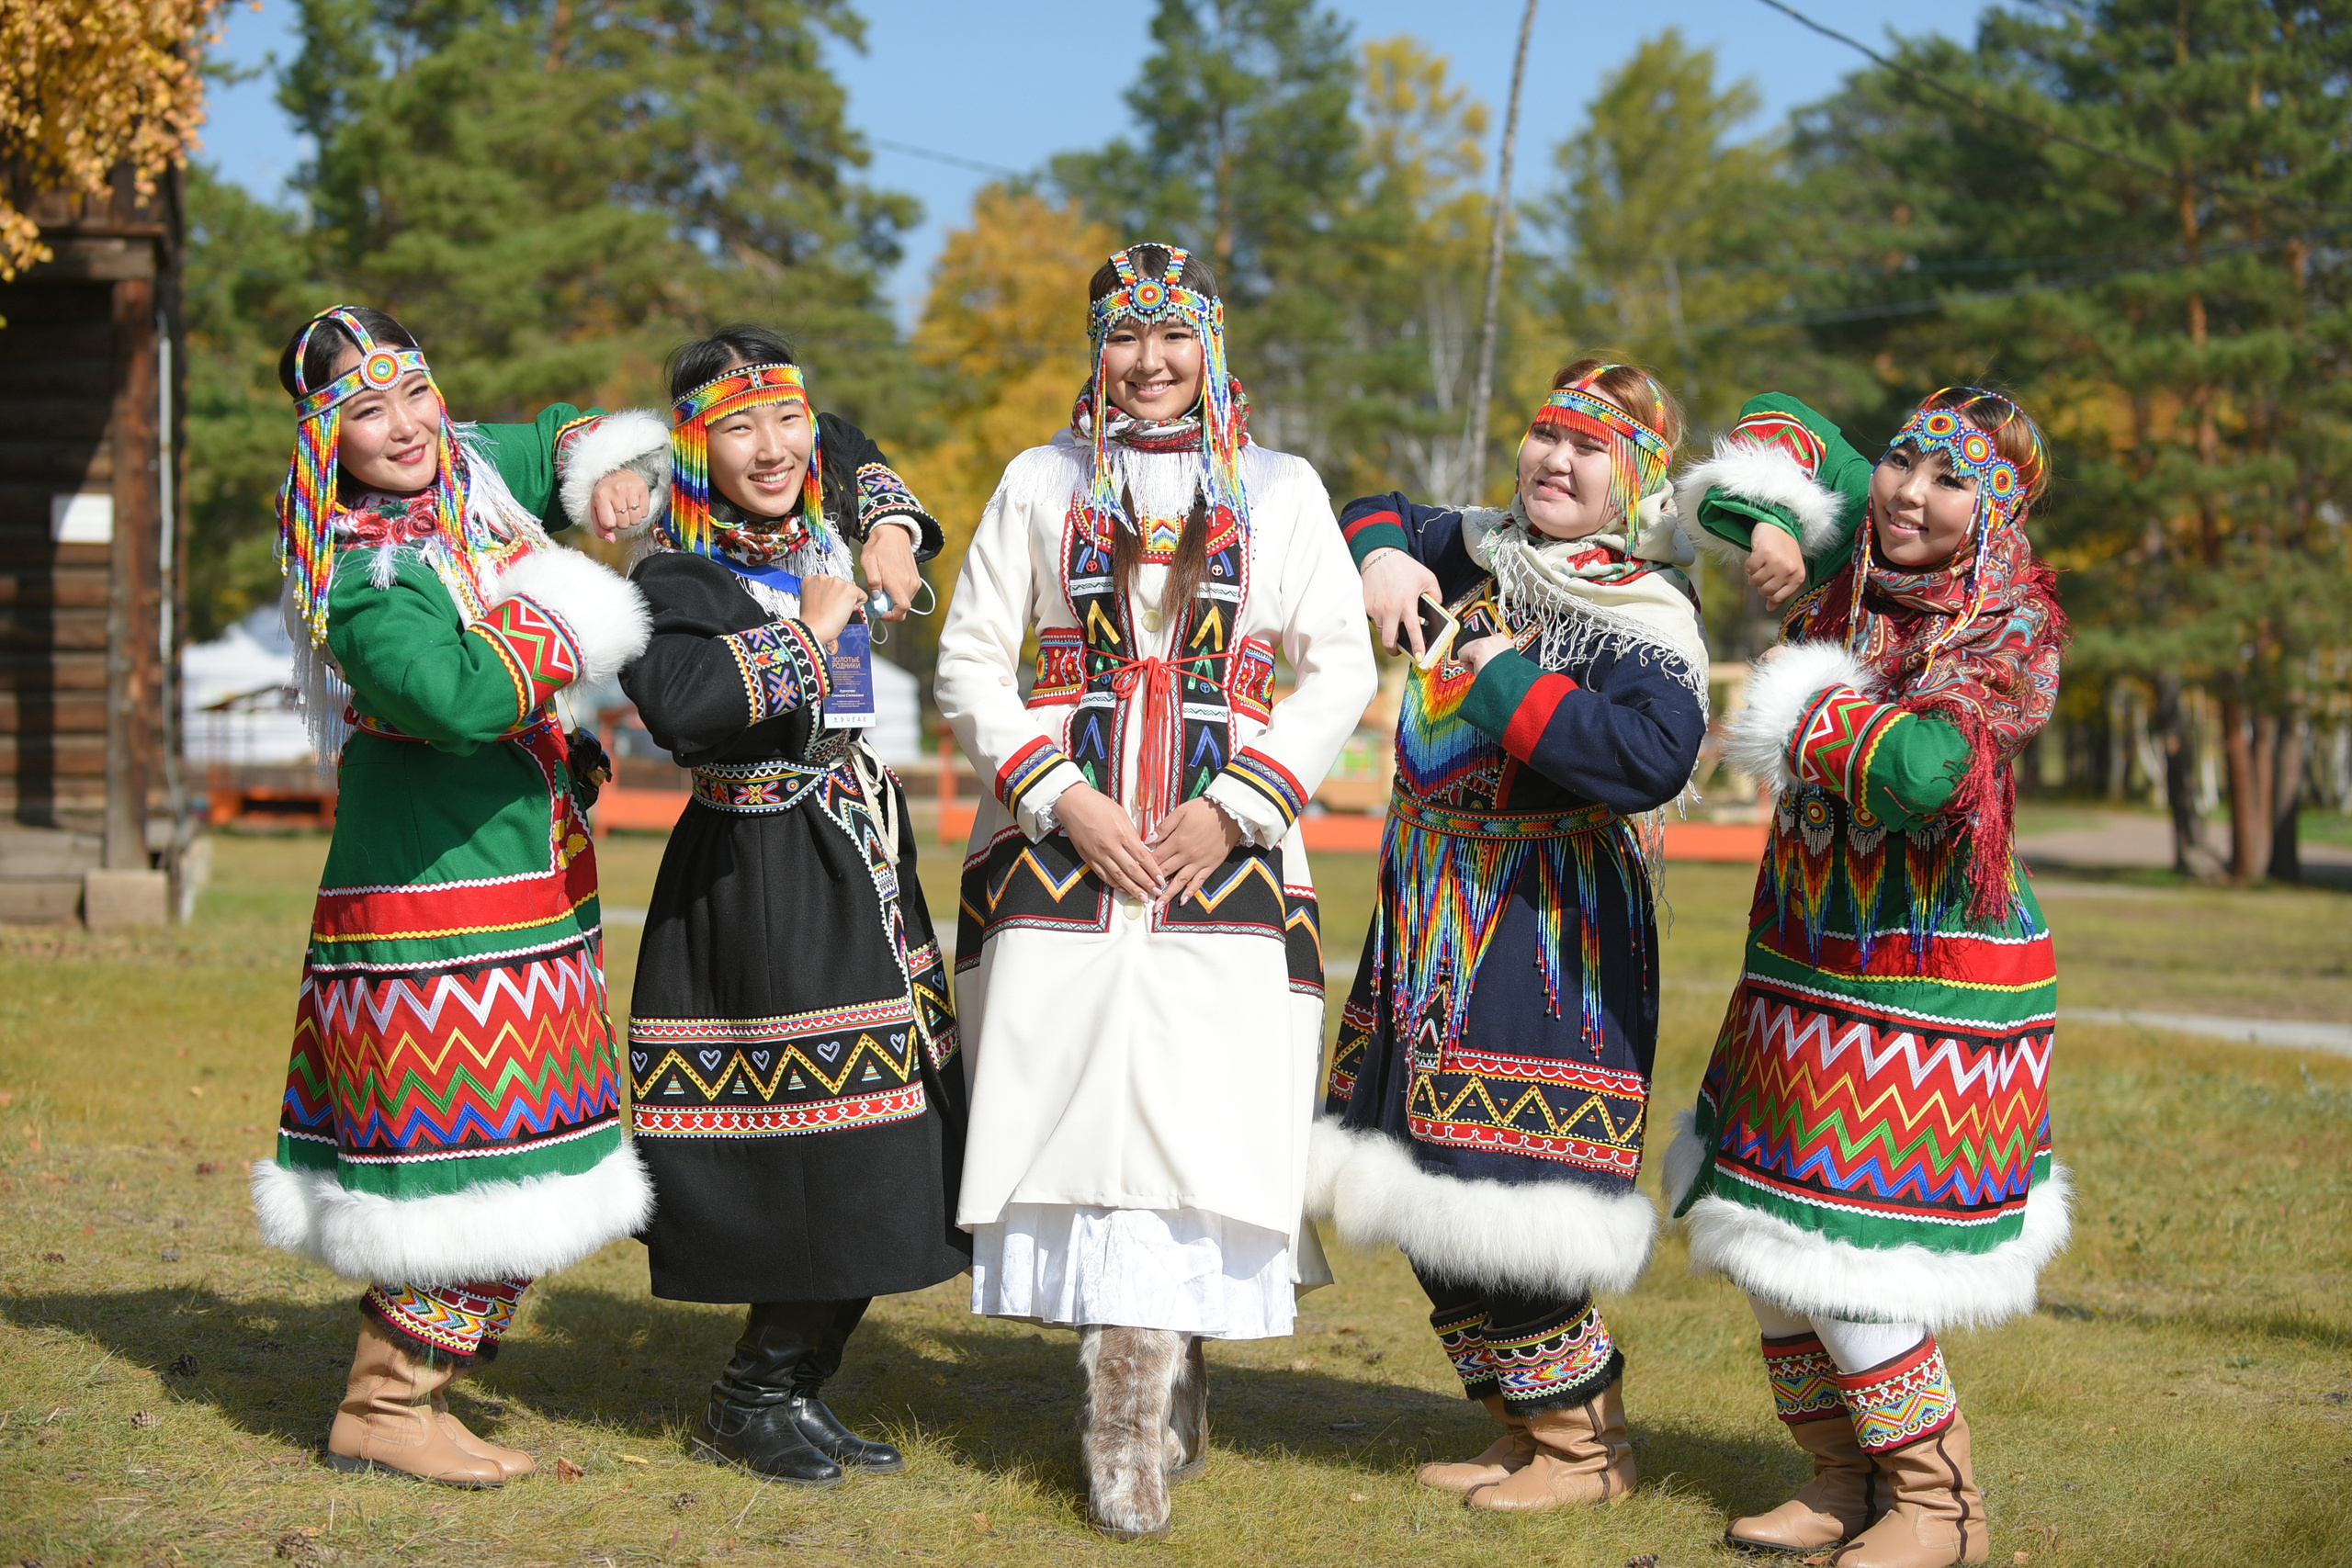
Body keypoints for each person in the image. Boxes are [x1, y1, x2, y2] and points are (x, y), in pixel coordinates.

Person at [934, 243, 1377, 1540]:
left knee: (1201, 1121)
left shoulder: (1284, 491)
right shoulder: (1039, 480)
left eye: (1172, 336)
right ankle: (1126, 1420)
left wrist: (1235, 801)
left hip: (1224, 858)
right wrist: (1059, 793)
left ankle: (1174, 1380)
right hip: (1063, 854)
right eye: (1124, 338)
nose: (1148, 363)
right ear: (1096, 350)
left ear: (1212, 344)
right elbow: (971, 654)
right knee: (1088, 1126)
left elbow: (1336, 664)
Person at [248, 306, 654, 1487]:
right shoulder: (367, 571)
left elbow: (555, 442)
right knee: (477, 1160)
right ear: (329, 437)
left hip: (512, 870)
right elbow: (457, 696)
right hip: (437, 890)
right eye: (366, 412)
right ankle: (386, 1405)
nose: (405, 425)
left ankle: (407, 1392)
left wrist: (608, 475)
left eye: (413, 392)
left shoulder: (461, 470)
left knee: (528, 1146)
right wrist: (568, 610)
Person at [1663, 388, 2070, 1568]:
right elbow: (1775, 420)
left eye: (1951, 482)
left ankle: (1940, 1510)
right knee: (1764, 1237)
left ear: (1995, 507)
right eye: (1900, 461)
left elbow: (1921, 774)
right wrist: (1775, 524)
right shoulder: (1853, 554)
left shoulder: (2010, 627)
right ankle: (1840, 1479)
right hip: (1804, 952)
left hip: (1927, 974)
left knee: (1849, 1249)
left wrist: (1799, 707)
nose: (1905, 492)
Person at [552, 324, 966, 1487]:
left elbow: (850, 442)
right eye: (737, 427)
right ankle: (753, 1392)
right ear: (694, 447)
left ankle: (795, 1387)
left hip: (864, 861)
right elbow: (685, 711)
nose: (775, 446)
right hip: (761, 873)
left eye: (782, 417)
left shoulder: (821, 488)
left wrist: (889, 525)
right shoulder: (671, 574)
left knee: (903, 1139)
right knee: (823, 1154)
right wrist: (817, 625)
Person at [1309, 361, 1711, 1513]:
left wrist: (1504, 684)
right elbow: (1372, 506)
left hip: (1546, 929)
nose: (1554, 459)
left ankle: (1588, 1452)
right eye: (1544, 434)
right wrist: (1383, 553)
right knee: (1409, 1172)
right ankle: (1519, 1426)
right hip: (1426, 903)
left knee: (1503, 1180)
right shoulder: (1472, 546)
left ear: (1632, 480)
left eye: (1588, 447)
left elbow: (1648, 760)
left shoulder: (1642, 610)